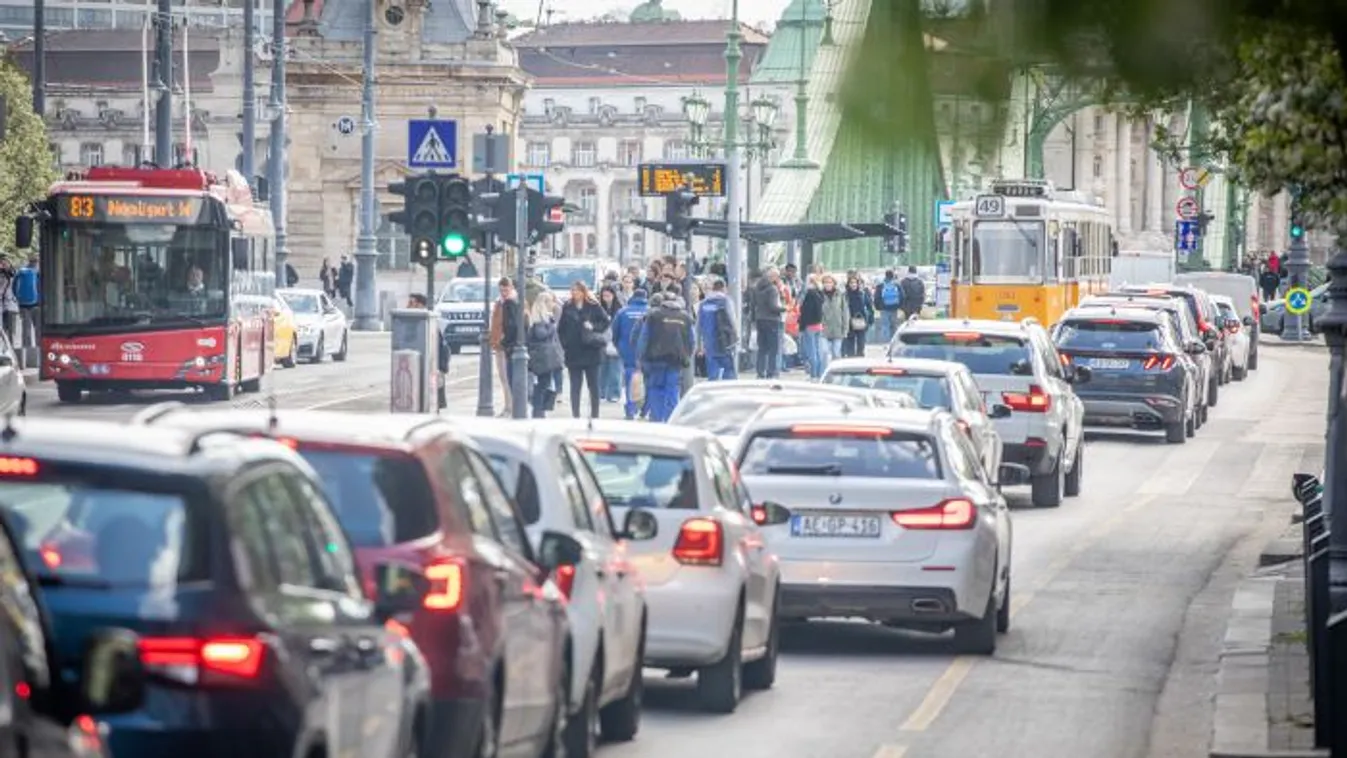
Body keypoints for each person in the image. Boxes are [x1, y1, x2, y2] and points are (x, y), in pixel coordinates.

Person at [636, 289, 694, 422]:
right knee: (672, 390)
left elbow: (644, 337)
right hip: (676, 359)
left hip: (656, 358)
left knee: (656, 389)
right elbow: (691, 340)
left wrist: (640, 357)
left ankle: (656, 418)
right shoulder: (685, 317)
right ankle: (670, 419)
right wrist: (687, 355)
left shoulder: (653, 315)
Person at [557, 281, 611, 419]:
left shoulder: (593, 305)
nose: (574, 293)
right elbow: (561, 328)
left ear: (583, 292)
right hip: (573, 352)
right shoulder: (567, 306)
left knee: (593, 386)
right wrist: (565, 344)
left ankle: (595, 414)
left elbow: (605, 322)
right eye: (573, 290)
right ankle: (575, 415)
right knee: (575, 386)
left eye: (577, 290)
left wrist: (593, 326)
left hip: (591, 350)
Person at [526, 291, 565, 418]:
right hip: (542, 357)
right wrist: (552, 326)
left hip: (545, 356)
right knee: (543, 383)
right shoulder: (539, 320)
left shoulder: (546, 318)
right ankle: (538, 410)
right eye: (550, 302)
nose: (552, 305)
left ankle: (540, 409)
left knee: (545, 383)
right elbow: (541, 334)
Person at [613, 288, 649, 420]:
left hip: (627, 350)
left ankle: (630, 409)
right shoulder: (650, 312)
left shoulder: (623, 312)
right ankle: (645, 409)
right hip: (646, 352)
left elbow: (615, 332)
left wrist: (619, 347)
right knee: (647, 381)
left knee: (630, 380)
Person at [490, 278, 522, 415]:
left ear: (511, 288)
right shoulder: (500, 302)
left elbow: (512, 325)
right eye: (501, 290)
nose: (503, 293)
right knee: (504, 379)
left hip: (507, 345)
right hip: (499, 345)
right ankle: (508, 406)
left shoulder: (512, 302)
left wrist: (503, 340)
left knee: (509, 378)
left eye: (506, 290)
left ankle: (511, 407)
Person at [696, 278, 738, 381]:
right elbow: (732, 320)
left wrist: (699, 345)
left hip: (709, 343)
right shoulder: (726, 301)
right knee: (729, 372)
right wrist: (736, 338)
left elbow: (699, 326)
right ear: (724, 288)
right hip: (725, 342)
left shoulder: (703, 303)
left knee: (712, 373)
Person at [750, 267, 786, 378]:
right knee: (773, 348)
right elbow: (773, 306)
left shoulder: (757, 288)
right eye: (777, 276)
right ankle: (771, 372)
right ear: (773, 277)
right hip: (772, 320)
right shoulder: (772, 289)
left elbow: (753, 305)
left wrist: (754, 319)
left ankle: (760, 372)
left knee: (762, 348)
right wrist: (785, 308)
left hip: (760, 319)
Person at [598, 284, 624, 403]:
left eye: (608, 296)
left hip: (615, 342)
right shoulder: (599, 309)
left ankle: (614, 393)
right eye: (604, 296)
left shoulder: (619, 310)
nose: (606, 298)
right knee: (601, 368)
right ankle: (601, 392)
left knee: (615, 370)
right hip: (601, 341)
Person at [797, 274, 825, 379]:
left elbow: (806, 313)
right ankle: (819, 373)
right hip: (818, 325)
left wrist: (801, 326)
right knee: (818, 350)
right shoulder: (819, 293)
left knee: (811, 351)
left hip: (809, 326)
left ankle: (813, 374)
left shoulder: (809, 294)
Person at [821, 274, 850, 365]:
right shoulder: (820, 294)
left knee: (836, 353)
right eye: (826, 282)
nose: (828, 284)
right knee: (824, 352)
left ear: (834, 283)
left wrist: (845, 329)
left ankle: (836, 371)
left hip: (838, 329)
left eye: (830, 282)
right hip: (823, 329)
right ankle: (824, 370)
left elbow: (845, 312)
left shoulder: (840, 295)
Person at [843, 273, 873, 357]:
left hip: (860, 320)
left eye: (855, 283)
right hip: (848, 321)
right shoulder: (845, 295)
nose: (853, 284)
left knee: (861, 343)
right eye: (851, 283)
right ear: (848, 284)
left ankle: (860, 358)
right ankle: (851, 359)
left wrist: (870, 319)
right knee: (850, 343)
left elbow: (869, 306)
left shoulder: (862, 294)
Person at [12, 255, 38, 350]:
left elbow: (14, 286)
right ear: (36, 262)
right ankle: (39, 347)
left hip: (23, 303)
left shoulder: (20, 272)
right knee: (38, 328)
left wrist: (17, 297)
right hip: (36, 304)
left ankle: (27, 349)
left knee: (26, 328)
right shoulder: (37, 272)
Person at [875, 269, 903, 341]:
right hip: (894, 308)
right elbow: (902, 296)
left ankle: (885, 342)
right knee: (894, 326)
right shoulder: (897, 285)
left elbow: (876, 297)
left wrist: (878, 307)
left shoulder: (880, 286)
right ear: (893, 276)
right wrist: (899, 306)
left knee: (885, 325)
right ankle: (893, 342)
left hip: (884, 308)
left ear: (885, 275)